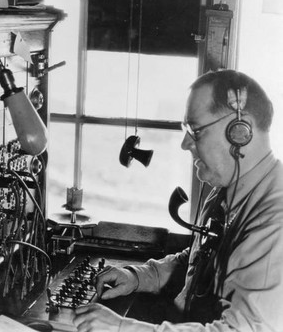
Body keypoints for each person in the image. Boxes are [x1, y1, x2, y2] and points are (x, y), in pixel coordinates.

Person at [73, 69, 283, 331]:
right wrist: (140, 276)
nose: (185, 144)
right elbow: (200, 261)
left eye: (196, 130)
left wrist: (121, 328)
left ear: (240, 132)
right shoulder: (227, 192)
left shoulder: (274, 222)